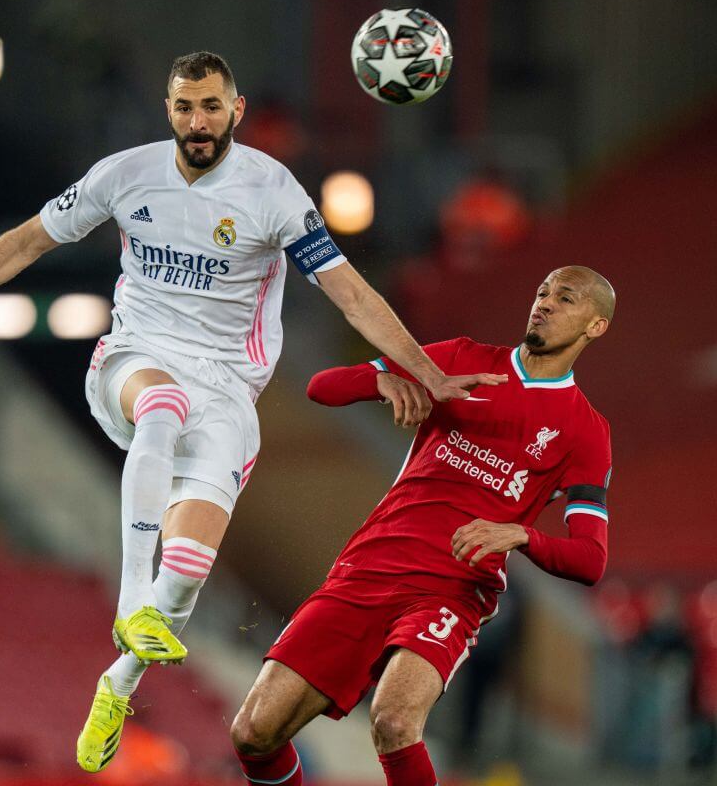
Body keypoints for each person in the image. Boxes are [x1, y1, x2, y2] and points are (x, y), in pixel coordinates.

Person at [0, 51, 498, 773]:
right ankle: (130, 599)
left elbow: (350, 292)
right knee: (161, 406)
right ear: (169, 111)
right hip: (133, 361)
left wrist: (425, 368)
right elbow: (26, 242)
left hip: (227, 394)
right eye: (184, 107)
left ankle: (118, 681)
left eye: (210, 107)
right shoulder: (124, 175)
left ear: (237, 110)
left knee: (190, 571)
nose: (198, 121)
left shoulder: (274, 191)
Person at [230, 266, 616, 786]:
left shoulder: (585, 431)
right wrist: (383, 379)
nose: (544, 303)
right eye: (542, 291)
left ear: (595, 327)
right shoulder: (460, 359)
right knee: (254, 733)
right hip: (367, 568)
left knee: (393, 721)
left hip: (450, 590)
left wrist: (523, 535)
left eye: (565, 298)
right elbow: (322, 388)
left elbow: (591, 560)